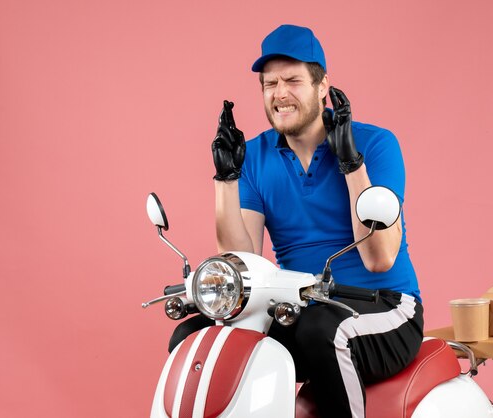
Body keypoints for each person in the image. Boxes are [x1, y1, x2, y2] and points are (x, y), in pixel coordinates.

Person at [170, 24, 423, 418]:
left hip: (385, 309)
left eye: (292, 80)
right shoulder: (253, 156)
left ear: (323, 87)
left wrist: (351, 162)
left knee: (321, 328)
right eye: (269, 83)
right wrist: (226, 179)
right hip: (301, 308)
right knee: (196, 335)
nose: (279, 93)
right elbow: (244, 260)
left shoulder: (375, 144)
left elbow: (380, 257)